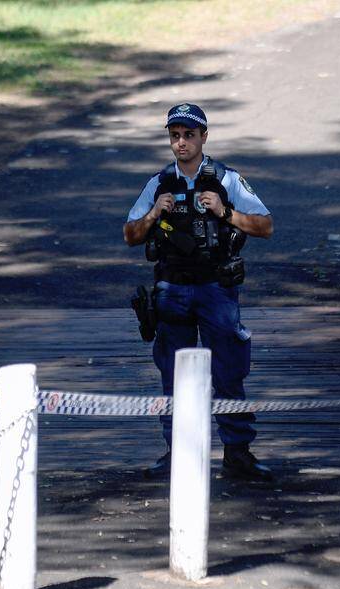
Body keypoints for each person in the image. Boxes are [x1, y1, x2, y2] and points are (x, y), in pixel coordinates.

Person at [123, 103, 274, 481]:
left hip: (216, 288)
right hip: (172, 289)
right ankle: (178, 455)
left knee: (228, 372)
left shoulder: (226, 179)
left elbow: (265, 226)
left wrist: (225, 213)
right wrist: (155, 212)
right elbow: (130, 235)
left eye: (189, 135)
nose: (181, 143)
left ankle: (237, 453)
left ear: (204, 137)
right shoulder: (159, 184)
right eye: (175, 136)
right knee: (172, 375)